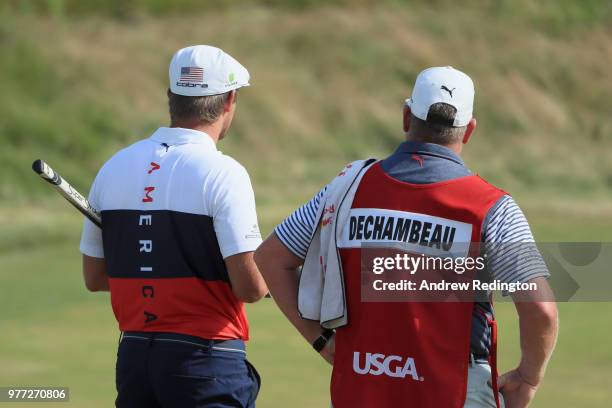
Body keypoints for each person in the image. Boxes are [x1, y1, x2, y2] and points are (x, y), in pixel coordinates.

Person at [254, 66, 558, 408]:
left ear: (405, 116)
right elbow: (540, 309)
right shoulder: (492, 208)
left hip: (360, 387)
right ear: (469, 130)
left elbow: (270, 258)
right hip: (456, 392)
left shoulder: (346, 188)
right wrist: (527, 378)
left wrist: (321, 341)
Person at [79, 45, 268, 408]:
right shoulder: (225, 174)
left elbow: (96, 277)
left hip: (135, 359)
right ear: (229, 100)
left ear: (171, 96)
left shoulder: (113, 167)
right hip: (206, 361)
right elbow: (249, 287)